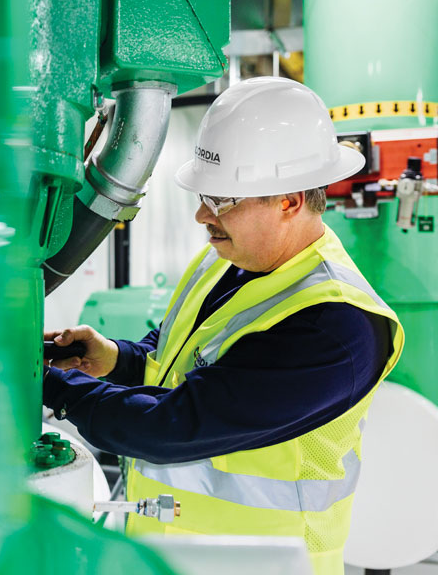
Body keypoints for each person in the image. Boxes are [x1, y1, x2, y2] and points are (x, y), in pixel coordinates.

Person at [43, 77, 404, 575]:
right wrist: (114, 359)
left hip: (266, 563)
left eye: (221, 200)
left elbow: (174, 425)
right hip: (178, 553)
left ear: (290, 201)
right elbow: (175, 355)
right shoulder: (227, 260)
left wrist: (53, 388)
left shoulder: (335, 326)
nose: (200, 215)